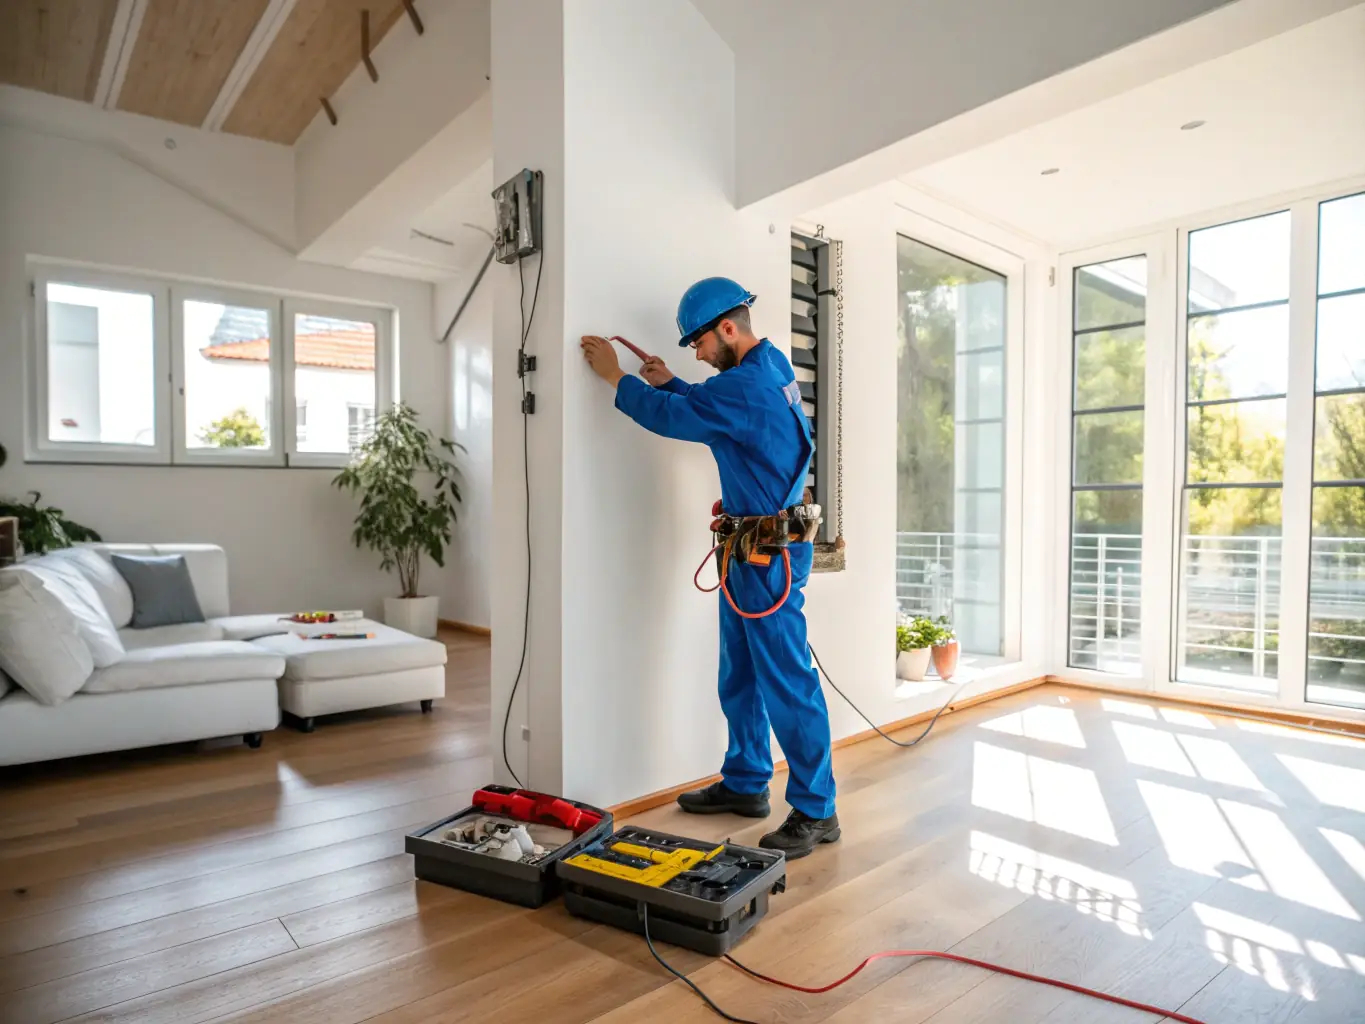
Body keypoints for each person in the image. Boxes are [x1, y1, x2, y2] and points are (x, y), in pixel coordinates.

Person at [579, 276, 839, 859]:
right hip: (752, 550)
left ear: (727, 328)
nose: (693, 352)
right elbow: (715, 407)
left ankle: (818, 809)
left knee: (788, 680)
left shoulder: (744, 388)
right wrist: (674, 382)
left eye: (696, 342)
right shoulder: (768, 367)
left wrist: (614, 377)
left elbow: (678, 418)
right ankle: (748, 781)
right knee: (741, 670)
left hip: (766, 555)